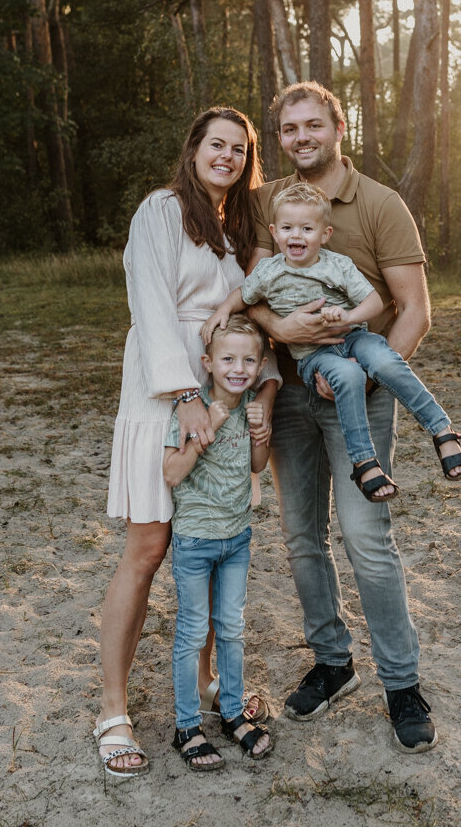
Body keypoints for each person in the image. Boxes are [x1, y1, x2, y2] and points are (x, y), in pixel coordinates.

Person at [247, 81, 461, 754]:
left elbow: (414, 310)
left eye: (314, 125)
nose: (302, 138)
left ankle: (402, 682)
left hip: (357, 393)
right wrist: (280, 327)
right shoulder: (269, 205)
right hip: (287, 396)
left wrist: (358, 383)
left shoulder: (379, 204)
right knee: (301, 538)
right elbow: (254, 296)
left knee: (368, 540)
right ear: (280, 138)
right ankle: (333, 661)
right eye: (290, 129)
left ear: (339, 128)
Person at [94, 107, 277, 778]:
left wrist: (250, 396)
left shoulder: (234, 232)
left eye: (238, 149)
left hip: (218, 406)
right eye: (215, 144)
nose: (226, 156)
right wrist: (186, 396)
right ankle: (113, 710)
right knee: (147, 547)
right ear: (193, 149)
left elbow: (249, 324)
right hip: (164, 398)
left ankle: (205, 689)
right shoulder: (161, 210)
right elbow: (149, 303)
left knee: (205, 535)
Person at [203, 183, 461, 502]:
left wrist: (346, 317)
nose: (296, 236)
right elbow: (244, 295)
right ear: (275, 232)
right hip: (314, 356)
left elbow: (373, 302)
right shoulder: (268, 271)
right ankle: (364, 462)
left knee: (385, 361)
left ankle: (442, 431)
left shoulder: (337, 265)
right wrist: (222, 309)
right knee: (348, 375)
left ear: (325, 233)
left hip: (354, 336)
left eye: (306, 228)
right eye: (287, 228)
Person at [163, 316, 273, 772]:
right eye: (228, 359)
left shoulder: (251, 405)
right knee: (192, 632)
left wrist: (261, 433)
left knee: (231, 627)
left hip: (237, 539)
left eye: (249, 360)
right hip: (195, 541)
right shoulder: (191, 411)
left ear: (261, 364)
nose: (238, 368)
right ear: (208, 363)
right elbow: (171, 473)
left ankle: (230, 713)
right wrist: (206, 426)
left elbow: (258, 464)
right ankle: (187, 725)